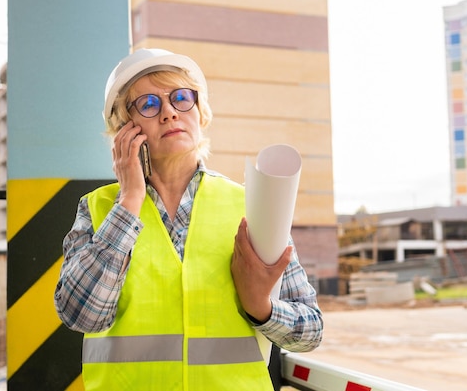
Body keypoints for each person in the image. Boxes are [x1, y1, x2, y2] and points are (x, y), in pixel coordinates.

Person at [54, 48, 323, 390]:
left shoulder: (250, 205)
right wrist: (130, 199)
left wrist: (262, 307)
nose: (169, 113)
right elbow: (81, 316)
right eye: (149, 104)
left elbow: (310, 332)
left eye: (181, 98)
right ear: (125, 129)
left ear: (200, 112)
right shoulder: (98, 208)